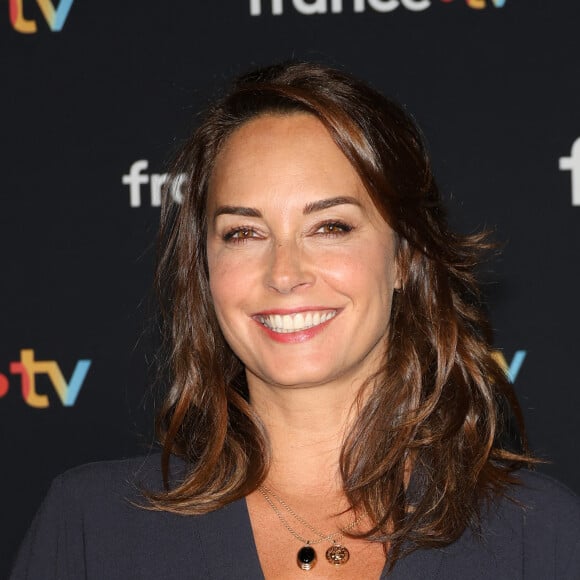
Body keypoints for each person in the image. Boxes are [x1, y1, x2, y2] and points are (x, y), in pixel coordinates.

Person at [11, 62, 580, 579]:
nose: (284, 273)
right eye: (244, 233)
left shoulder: (540, 534)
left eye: (330, 227)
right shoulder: (90, 528)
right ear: (205, 269)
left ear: (406, 255)